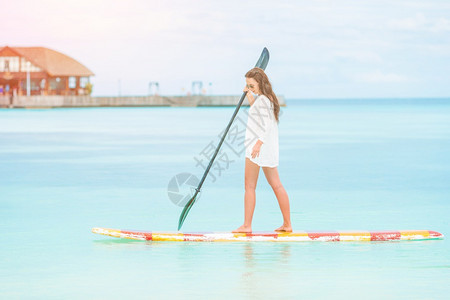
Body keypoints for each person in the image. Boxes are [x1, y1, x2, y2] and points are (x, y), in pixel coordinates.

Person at [233, 67, 292, 233]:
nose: (249, 88)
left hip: (256, 147)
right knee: (276, 185)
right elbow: (258, 112)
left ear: (260, 83)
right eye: (247, 85)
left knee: (249, 186)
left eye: (252, 85)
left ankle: (247, 225)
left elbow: (265, 126)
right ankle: (287, 224)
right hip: (266, 148)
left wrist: (258, 144)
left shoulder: (264, 101)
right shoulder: (266, 99)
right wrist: (250, 96)